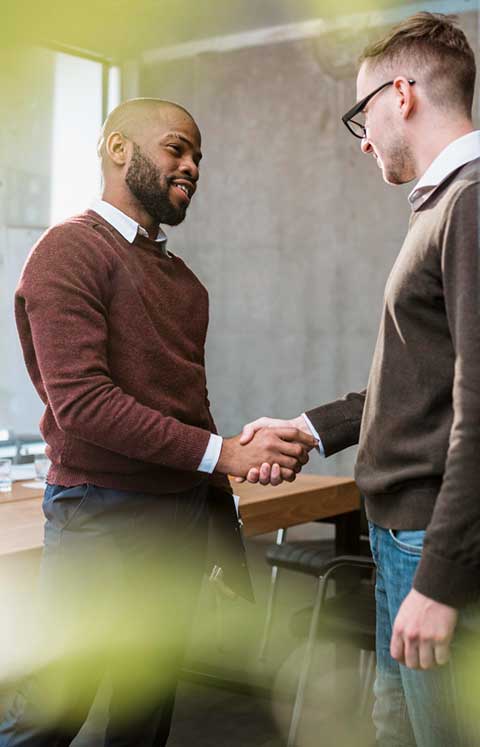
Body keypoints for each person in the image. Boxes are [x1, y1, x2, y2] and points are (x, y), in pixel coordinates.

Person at [0, 98, 316, 747]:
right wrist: (224, 454)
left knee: (146, 719)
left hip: (176, 524)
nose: (193, 166)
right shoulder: (67, 252)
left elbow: (189, 415)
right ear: (120, 149)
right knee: (54, 711)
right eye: (177, 148)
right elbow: (83, 405)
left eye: (198, 156)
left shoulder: (186, 285)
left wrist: (222, 538)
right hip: (100, 518)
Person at [240, 12, 480, 746]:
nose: (364, 139)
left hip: (427, 546)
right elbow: (425, 379)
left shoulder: (471, 203)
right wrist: (313, 430)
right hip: (398, 539)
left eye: (361, 114)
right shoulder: (445, 205)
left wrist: (440, 578)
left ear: (400, 93)